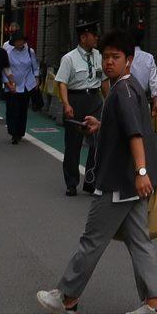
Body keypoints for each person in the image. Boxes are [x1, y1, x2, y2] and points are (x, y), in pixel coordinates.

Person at [36, 29, 157, 314]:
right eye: (105, 56)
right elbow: (124, 127)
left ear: (129, 60)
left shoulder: (122, 90)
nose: (108, 62)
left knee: (92, 240)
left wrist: (141, 170)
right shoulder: (128, 88)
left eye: (115, 57)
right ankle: (155, 303)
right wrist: (100, 124)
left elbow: (135, 134)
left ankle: (67, 296)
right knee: (140, 243)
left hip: (119, 182)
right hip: (131, 184)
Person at [56, 23, 105, 195]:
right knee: (73, 144)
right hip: (76, 99)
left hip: (95, 99)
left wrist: (109, 101)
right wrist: (66, 104)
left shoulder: (99, 56)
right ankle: (71, 182)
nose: (97, 37)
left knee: (97, 142)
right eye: (93, 35)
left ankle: (91, 180)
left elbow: (104, 81)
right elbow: (62, 82)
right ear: (83, 37)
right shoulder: (69, 58)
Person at [4, 28, 42, 145]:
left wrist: (36, 79)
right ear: (14, 43)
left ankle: (20, 132)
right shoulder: (9, 53)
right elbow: (5, 69)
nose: (20, 43)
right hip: (13, 84)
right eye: (17, 41)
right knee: (12, 109)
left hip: (27, 84)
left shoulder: (30, 51)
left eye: (22, 41)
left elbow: (35, 66)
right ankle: (13, 133)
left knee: (22, 109)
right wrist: (8, 83)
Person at [129, 31, 157, 118]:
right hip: (144, 100)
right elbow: (153, 82)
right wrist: (156, 102)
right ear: (142, 41)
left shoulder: (126, 57)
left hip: (127, 98)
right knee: (144, 128)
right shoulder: (149, 58)